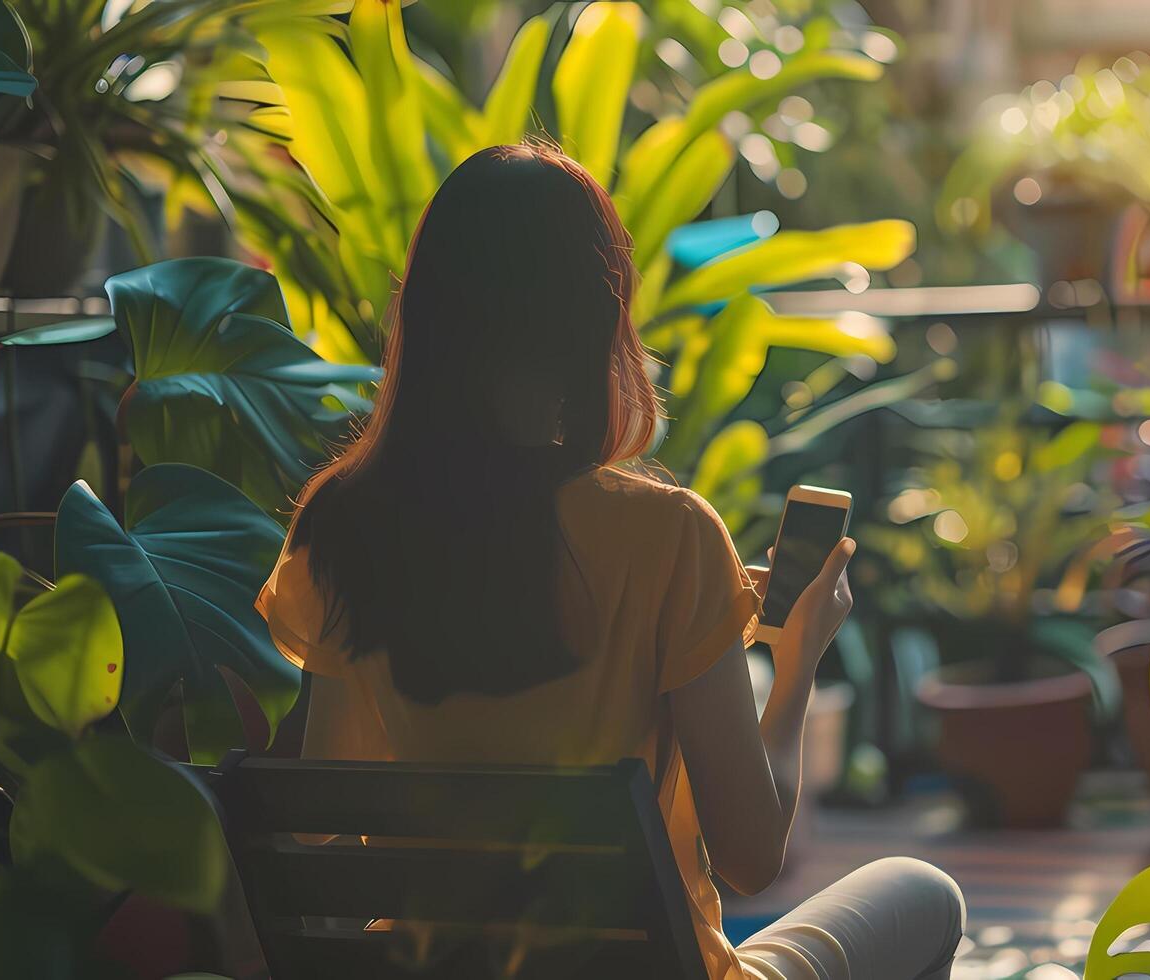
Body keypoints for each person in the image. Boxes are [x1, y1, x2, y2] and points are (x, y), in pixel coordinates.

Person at [255, 143, 965, 980]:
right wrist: (797, 654)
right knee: (924, 893)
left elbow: (319, 809)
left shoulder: (345, 526)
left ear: (431, 315)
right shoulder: (668, 539)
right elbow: (751, 855)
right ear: (594, 321)